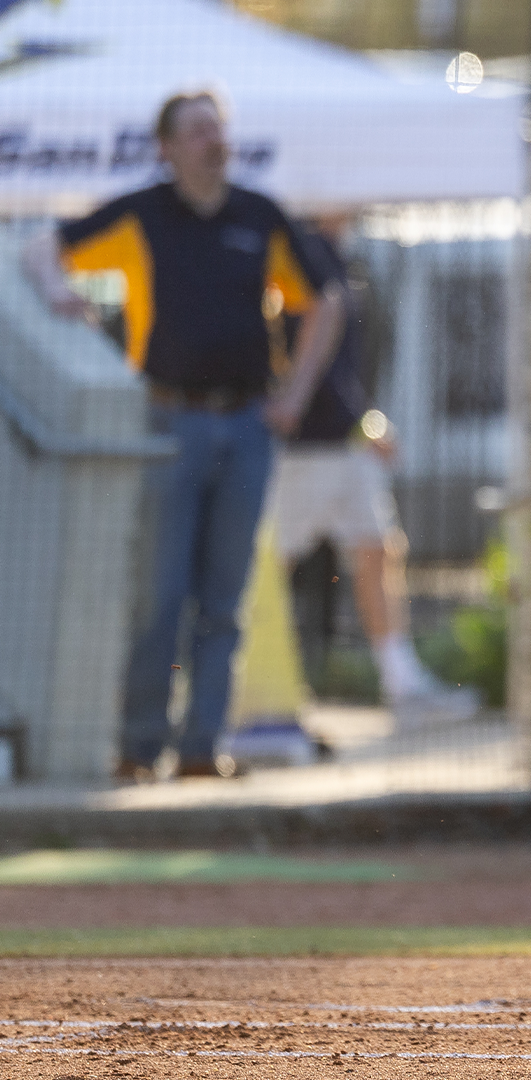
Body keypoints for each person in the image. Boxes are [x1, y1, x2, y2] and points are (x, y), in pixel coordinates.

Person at [22, 91, 345, 780]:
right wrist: (55, 290)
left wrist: (294, 394)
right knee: (159, 592)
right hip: (167, 422)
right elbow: (43, 248)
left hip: (248, 424)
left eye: (217, 128)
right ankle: (139, 747)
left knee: (224, 598)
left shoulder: (261, 214)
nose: (212, 140)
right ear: (166, 147)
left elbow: (329, 299)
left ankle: (202, 749)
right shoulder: (144, 211)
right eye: (197, 131)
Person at [265, 218, 478, 722]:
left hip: (342, 442)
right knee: (268, 571)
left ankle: (402, 684)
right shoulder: (295, 251)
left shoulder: (340, 255)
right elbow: (292, 353)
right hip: (300, 449)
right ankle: (248, 691)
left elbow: (336, 370)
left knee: (378, 550)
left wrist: (364, 420)